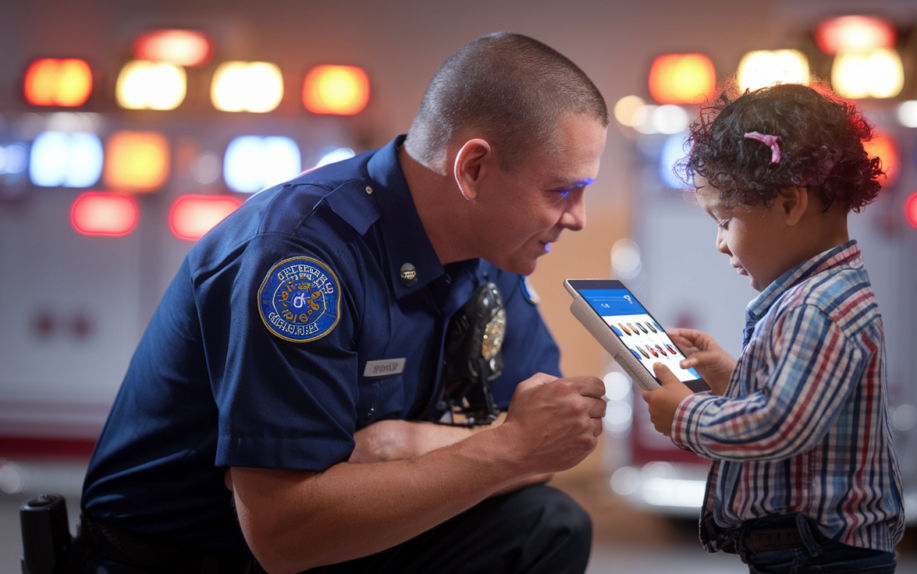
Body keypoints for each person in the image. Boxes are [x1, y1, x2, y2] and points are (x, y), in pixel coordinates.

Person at [77, 32, 608, 574]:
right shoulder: (302, 262)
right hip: (190, 558)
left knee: (545, 523)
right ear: (473, 170)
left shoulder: (491, 255)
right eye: (562, 191)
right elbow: (283, 536)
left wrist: (411, 441)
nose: (578, 217)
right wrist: (506, 447)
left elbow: (550, 442)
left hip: (326, 540)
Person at [641, 83, 904, 574]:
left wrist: (686, 416)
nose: (720, 244)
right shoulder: (822, 295)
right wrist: (733, 377)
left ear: (788, 203)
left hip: (818, 556)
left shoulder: (816, 307)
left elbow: (780, 426)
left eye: (725, 220)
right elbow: (806, 400)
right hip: (816, 551)